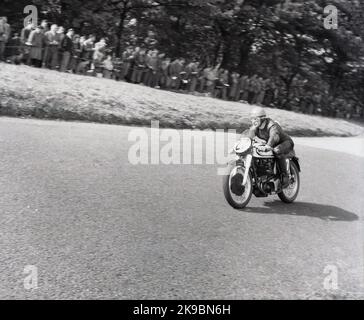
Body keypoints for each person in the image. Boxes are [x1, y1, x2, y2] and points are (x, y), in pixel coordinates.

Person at [248, 107, 295, 188]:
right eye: (252, 119)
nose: (254, 121)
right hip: (271, 144)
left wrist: (268, 145)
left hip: (285, 143)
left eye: (256, 119)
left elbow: (274, 136)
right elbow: (248, 137)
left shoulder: (272, 125)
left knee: (277, 150)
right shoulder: (255, 128)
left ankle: (285, 176)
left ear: (262, 119)